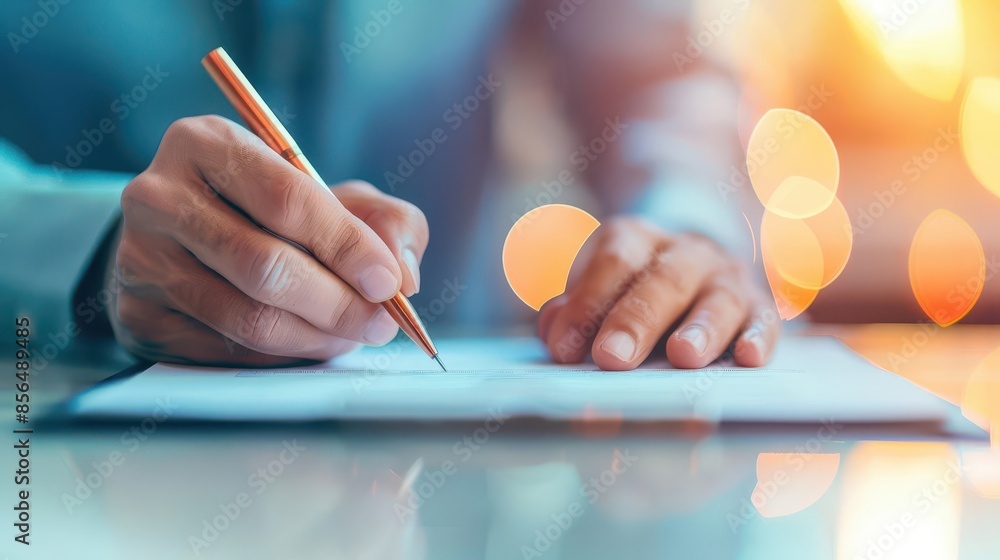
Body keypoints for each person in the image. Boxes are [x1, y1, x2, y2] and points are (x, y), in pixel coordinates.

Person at [0, 0, 777, 371]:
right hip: (42, 419)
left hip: (444, 477)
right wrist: (84, 250)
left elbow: (651, 67)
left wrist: (686, 219)